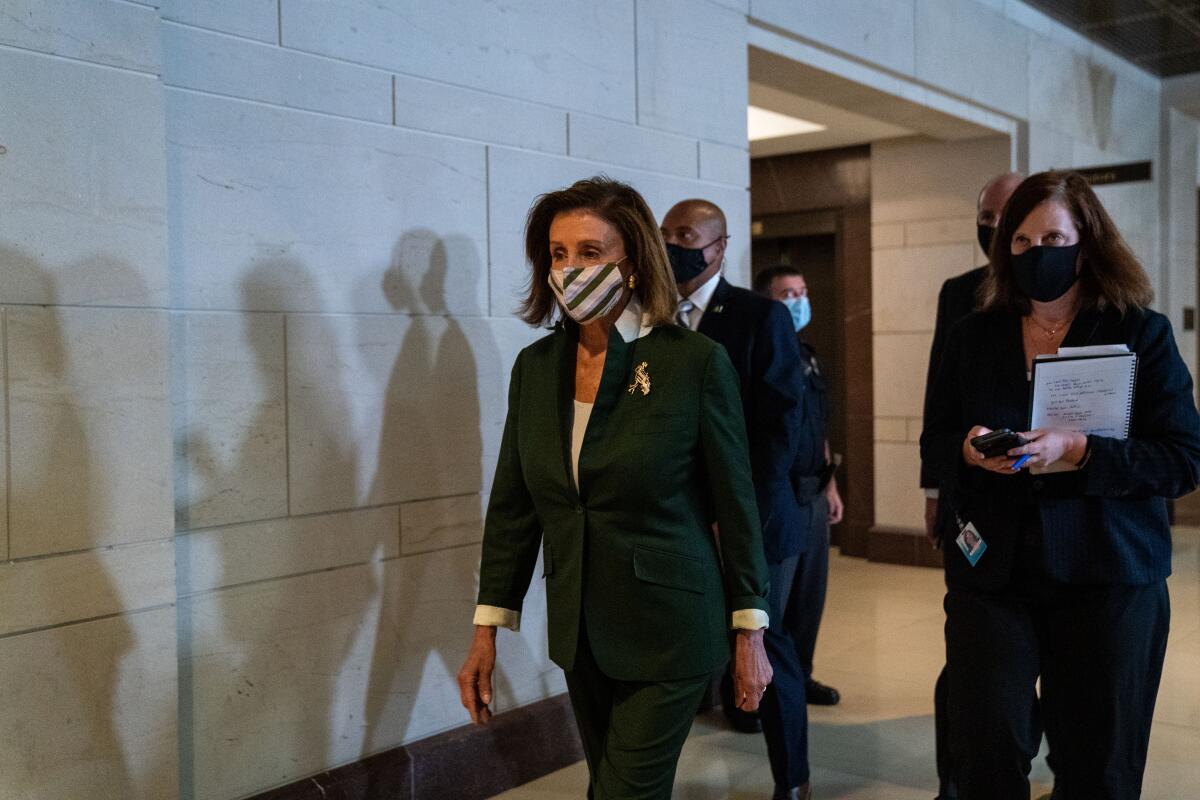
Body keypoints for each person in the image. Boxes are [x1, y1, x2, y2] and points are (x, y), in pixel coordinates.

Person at [458, 177, 773, 800]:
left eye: (590, 253)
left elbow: (735, 505)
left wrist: (751, 630)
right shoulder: (536, 368)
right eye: (557, 254)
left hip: (669, 629)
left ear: (633, 263)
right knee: (613, 786)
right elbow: (515, 507)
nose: (570, 269)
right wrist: (486, 627)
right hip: (581, 630)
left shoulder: (693, 362)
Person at [921, 170, 1200, 800]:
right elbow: (935, 439)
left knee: (1100, 764)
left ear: (1087, 242)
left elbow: (1183, 460)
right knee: (986, 751)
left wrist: (1078, 451)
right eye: (1019, 242)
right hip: (994, 575)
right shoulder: (973, 336)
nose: (1035, 253)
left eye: (1052, 237)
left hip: (1109, 575)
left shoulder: (1139, 332)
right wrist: (967, 452)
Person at [661, 199, 812, 800]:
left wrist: (737, 514)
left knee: (768, 648)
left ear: (719, 248)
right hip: (679, 519)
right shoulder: (650, 315)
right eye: (665, 233)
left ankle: (792, 780)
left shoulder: (759, 316)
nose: (672, 243)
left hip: (752, 517)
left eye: (686, 235)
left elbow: (781, 427)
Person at [920, 172, 1024, 800]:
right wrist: (936, 489)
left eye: (1005, 215)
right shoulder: (960, 293)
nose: (994, 227)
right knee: (969, 662)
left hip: (1052, 506)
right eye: (985, 216)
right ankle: (955, 781)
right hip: (976, 504)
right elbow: (939, 401)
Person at [753, 264, 844, 708]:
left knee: (810, 598)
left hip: (813, 492)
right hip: (780, 495)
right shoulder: (760, 353)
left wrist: (831, 486)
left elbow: (817, 426)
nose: (799, 300)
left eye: (803, 291)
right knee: (773, 606)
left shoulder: (808, 355)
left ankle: (798, 678)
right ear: (767, 301)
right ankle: (754, 692)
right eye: (788, 293)